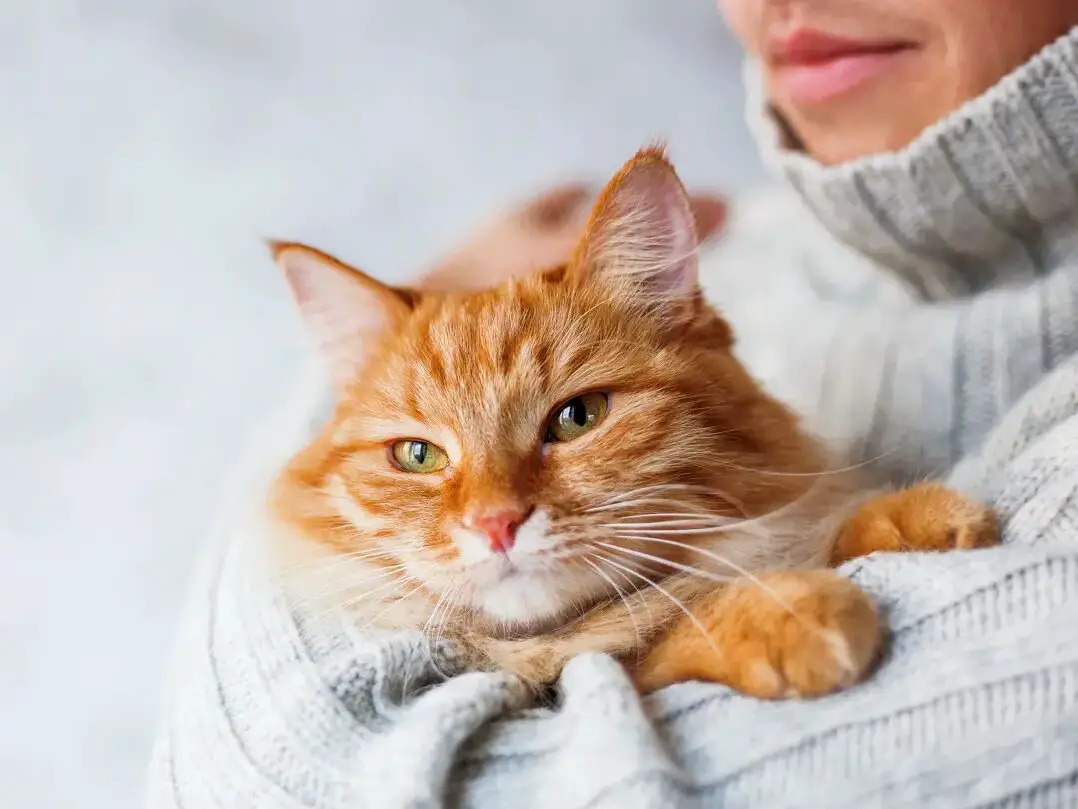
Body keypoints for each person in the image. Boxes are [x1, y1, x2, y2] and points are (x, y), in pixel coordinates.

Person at [147, 2, 1078, 807]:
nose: (493, 514)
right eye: (420, 455)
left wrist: (708, 626)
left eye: (570, 419)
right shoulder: (758, 241)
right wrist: (409, 320)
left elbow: (284, 778)